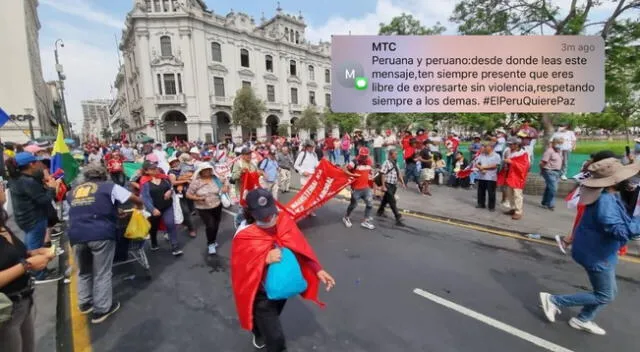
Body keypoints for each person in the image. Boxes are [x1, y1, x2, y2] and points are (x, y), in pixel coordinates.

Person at [539, 158, 640, 336]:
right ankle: (555, 301)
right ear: (614, 181)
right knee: (605, 295)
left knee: (608, 291)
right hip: (597, 255)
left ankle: (583, 319)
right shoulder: (606, 202)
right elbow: (621, 232)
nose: (629, 180)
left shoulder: (607, 196)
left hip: (598, 250)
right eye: (625, 177)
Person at [230, 189, 335, 351]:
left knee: (272, 318)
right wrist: (264, 259)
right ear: (251, 214)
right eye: (262, 215)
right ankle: (260, 332)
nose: (268, 218)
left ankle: (260, 329)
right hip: (261, 295)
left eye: (270, 213)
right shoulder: (245, 235)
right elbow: (240, 267)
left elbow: (300, 247)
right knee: (276, 339)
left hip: (281, 289)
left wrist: (318, 269)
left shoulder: (284, 221)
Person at [67, 165, 143, 324]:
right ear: (104, 176)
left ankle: (85, 302)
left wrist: (114, 211)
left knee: (84, 270)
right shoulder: (109, 186)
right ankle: (101, 309)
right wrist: (140, 206)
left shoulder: (73, 191)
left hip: (76, 234)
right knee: (102, 272)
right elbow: (133, 198)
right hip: (100, 233)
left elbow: (86, 208)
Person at [0, 178, 57, 352]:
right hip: (5, 311)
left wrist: (32, 253)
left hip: (23, 303)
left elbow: (9, 256)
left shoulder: (3, 225)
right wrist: (27, 264)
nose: (2, 186)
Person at [8, 152, 62, 283]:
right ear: (31, 164)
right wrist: (52, 188)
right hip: (34, 219)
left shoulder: (17, 179)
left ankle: (37, 270)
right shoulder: (27, 181)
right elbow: (44, 200)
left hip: (25, 219)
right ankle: (39, 274)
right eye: (37, 162)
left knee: (30, 245)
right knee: (35, 247)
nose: (40, 164)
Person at [140, 161, 183, 256]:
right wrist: (153, 209)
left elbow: (171, 187)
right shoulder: (144, 182)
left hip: (167, 206)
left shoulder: (164, 177)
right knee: (153, 227)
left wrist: (170, 191)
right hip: (154, 209)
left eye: (156, 167)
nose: (156, 170)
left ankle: (175, 246)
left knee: (170, 224)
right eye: (153, 169)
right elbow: (145, 198)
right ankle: (154, 241)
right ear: (146, 171)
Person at [186, 164, 229, 255]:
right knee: (210, 225)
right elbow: (188, 194)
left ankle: (212, 240)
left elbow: (225, 181)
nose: (207, 172)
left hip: (217, 205)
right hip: (203, 207)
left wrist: (225, 187)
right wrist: (198, 199)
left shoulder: (216, 178)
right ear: (200, 171)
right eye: (205, 170)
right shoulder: (196, 182)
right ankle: (210, 244)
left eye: (209, 170)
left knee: (216, 224)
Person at [342, 147, 376, 230]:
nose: (363, 157)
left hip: (366, 187)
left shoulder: (369, 162)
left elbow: (370, 174)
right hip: (356, 188)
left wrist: (373, 187)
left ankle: (366, 221)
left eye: (365, 156)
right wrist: (353, 175)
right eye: (362, 156)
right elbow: (344, 169)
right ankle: (346, 217)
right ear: (359, 155)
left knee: (370, 204)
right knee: (353, 205)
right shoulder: (354, 162)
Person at [501, 137, 530, 220]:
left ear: (516, 145)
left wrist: (512, 162)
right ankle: (512, 208)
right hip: (510, 175)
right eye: (509, 144)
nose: (509, 146)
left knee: (517, 194)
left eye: (511, 144)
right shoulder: (508, 151)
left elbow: (525, 166)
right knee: (509, 193)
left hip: (518, 176)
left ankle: (518, 211)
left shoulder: (523, 153)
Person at [167, 157, 196, 238]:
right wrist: (185, 180)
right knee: (186, 211)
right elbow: (173, 182)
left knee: (191, 209)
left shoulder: (183, 168)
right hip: (179, 194)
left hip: (188, 191)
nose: (175, 163)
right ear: (171, 164)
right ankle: (191, 229)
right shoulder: (171, 172)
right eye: (173, 162)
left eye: (176, 161)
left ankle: (185, 222)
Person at [376, 150, 405, 226]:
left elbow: (398, 173)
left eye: (396, 154)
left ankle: (380, 211)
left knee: (386, 199)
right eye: (395, 154)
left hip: (393, 185)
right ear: (390, 155)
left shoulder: (396, 163)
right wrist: (383, 186)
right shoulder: (386, 162)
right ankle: (397, 216)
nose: (397, 155)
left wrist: (402, 182)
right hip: (387, 184)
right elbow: (383, 174)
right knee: (392, 201)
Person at [294, 141, 320, 217]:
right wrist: (302, 172)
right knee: (304, 195)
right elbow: (296, 165)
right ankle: (302, 210)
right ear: (307, 147)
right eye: (311, 147)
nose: (313, 148)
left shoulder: (314, 155)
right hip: (305, 178)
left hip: (313, 177)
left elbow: (317, 165)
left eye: (313, 147)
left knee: (312, 196)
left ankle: (310, 210)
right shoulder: (302, 154)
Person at [474, 143, 501, 212]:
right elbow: (476, 163)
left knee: (491, 192)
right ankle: (481, 203)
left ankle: (491, 207)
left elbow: (496, 165)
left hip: (491, 177)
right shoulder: (482, 155)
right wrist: (481, 168)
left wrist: (485, 167)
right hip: (482, 176)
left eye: (486, 146)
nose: (485, 148)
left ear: (491, 147)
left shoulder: (496, 156)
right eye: (484, 146)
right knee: (480, 191)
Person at [540, 137, 564, 211]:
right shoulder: (549, 151)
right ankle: (550, 204)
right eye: (558, 143)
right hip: (549, 171)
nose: (559, 145)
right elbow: (542, 163)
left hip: (557, 172)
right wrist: (542, 170)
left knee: (549, 187)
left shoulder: (559, 151)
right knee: (554, 188)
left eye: (561, 143)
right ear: (553, 143)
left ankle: (544, 202)